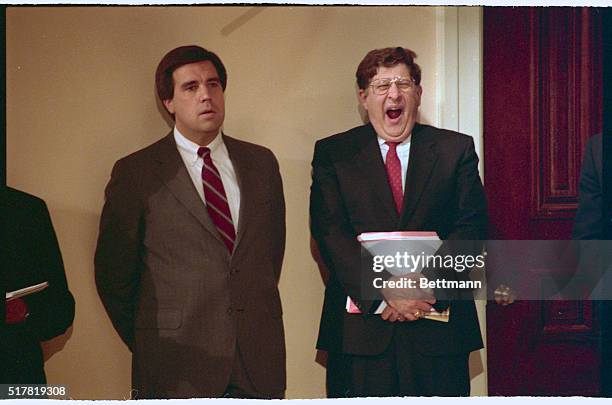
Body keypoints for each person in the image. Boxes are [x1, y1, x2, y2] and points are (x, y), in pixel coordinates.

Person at [94, 45, 286, 399]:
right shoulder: (136, 172)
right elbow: (113, 276)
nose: (206, 95)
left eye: (213, 85)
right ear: (168, 102)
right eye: (191, 87)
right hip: (174, 363)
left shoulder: (262, 164)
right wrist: (152, 338)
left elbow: (268, 257)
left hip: (257, 360)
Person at [309, 47, 488, 397]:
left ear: (418, 94)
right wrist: (383, 290)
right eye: (381, 85)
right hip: (358, 337)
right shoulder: (334, 153)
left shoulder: (456, 149)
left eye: (403, 83)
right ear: (364, 97)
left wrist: (423, 286)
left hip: (440, 331)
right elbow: (329, 234)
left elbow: (472, 228)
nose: (394, 93)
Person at [1, 186, 75, 383]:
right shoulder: (26, 208)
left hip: (15, 369)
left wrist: (23, 309)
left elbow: (60, 308)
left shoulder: (26, 210)